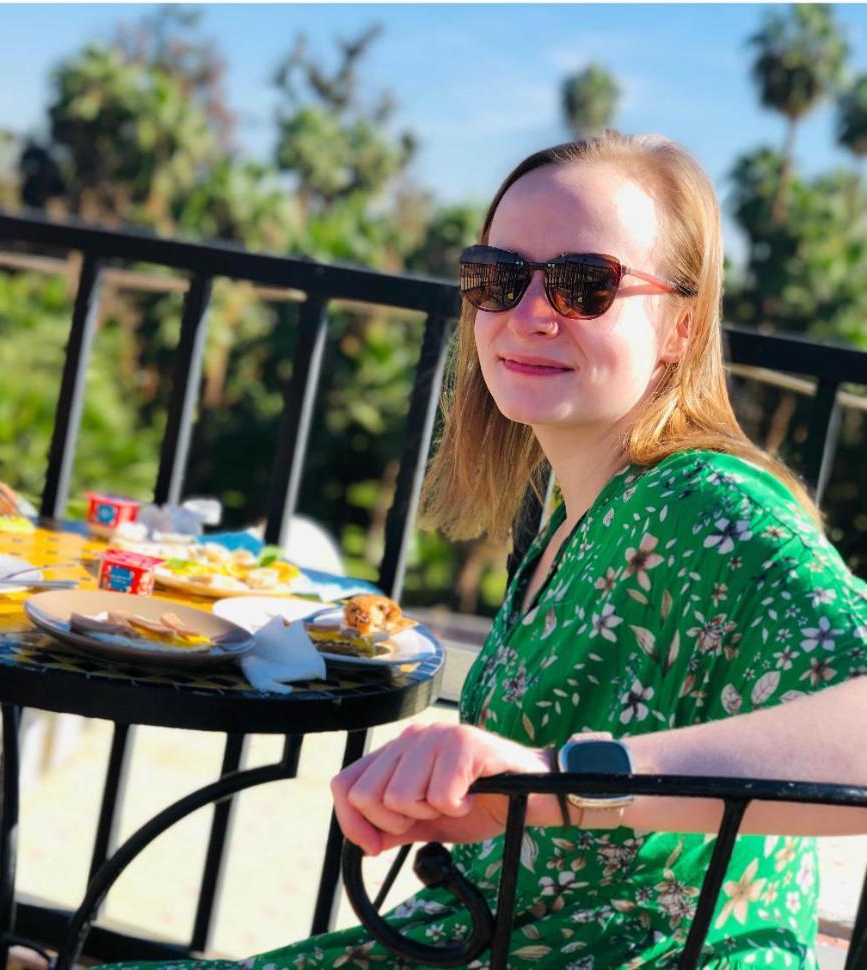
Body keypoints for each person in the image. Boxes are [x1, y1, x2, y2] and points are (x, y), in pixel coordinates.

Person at [103, 133, 867, 969]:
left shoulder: (708, 507)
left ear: (681, 325)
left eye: (586, 284)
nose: (529, 312)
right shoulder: (573, 515)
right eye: (497, 278)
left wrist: (553, 778)